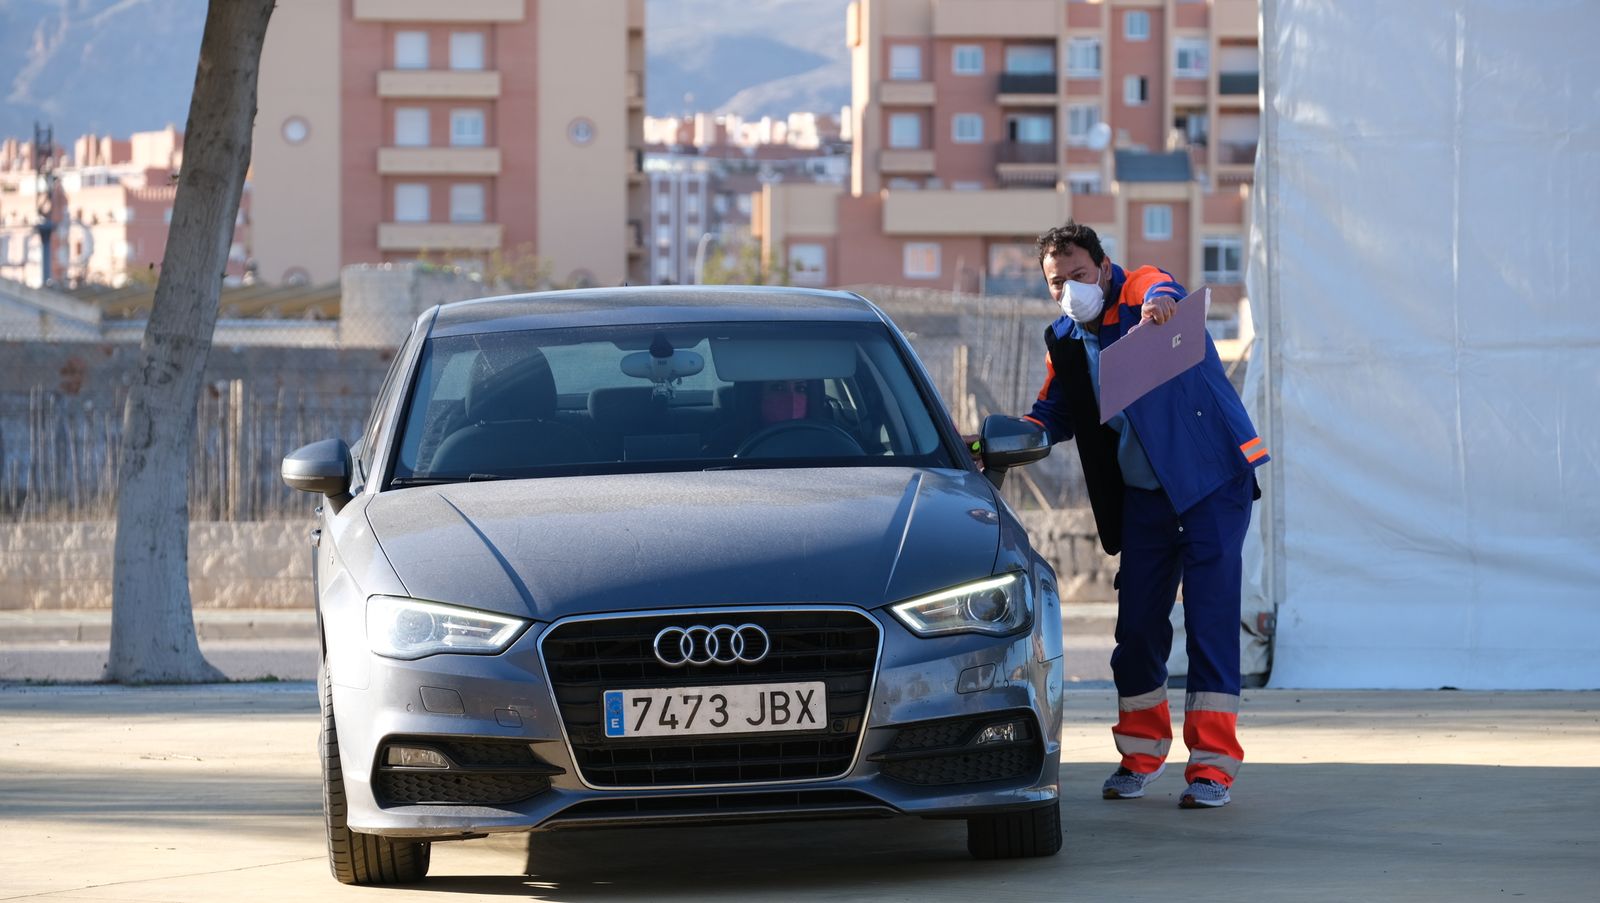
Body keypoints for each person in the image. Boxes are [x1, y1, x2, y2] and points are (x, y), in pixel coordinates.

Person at [1017, 221, 1270, 809]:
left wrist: (1160, 305)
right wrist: (998, 438)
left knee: (1209, 623)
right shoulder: (1065, 340)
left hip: (1210, 483)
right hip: (1146, 498)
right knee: (1136, 630)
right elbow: (1052, 412)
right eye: (1056, 283)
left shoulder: (1140, 295)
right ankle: (1140, 753)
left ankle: (1212, 767)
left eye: (1078, 276)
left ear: (1104, 268)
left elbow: (1162, 286)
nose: (1068, 291)